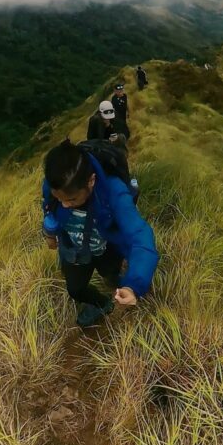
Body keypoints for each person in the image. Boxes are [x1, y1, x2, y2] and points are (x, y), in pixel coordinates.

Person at [42, 139, 158, 328]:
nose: (64, 204)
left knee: (110, 271)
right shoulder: (56, 182)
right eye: (59, 198)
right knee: (75, 289)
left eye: (71, 199)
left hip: (107, 246)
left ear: (91, 181)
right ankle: (102, 304)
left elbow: (140, 236)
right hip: (74, 248)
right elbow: (48, 209)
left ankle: (115, 281)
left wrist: (133, 286)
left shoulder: (113, 191)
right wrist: (49, 233)